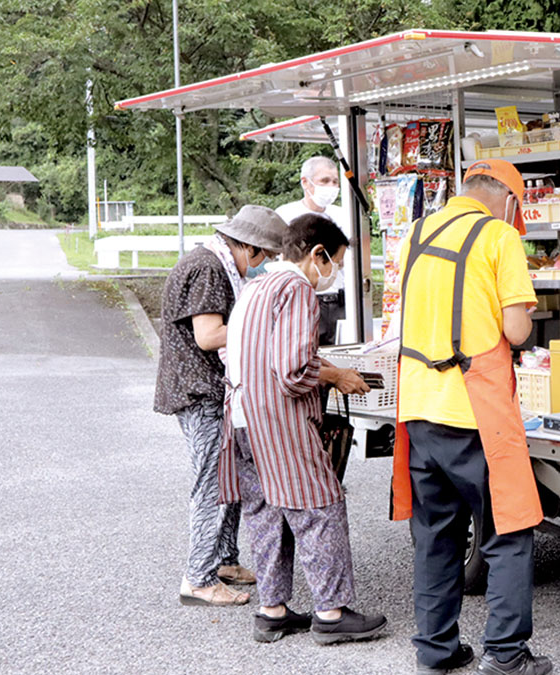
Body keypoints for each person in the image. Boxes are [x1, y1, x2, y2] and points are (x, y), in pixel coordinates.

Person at [392, 159, 552, 675]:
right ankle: (505, 655)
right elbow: (517, 329)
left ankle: (435, 653)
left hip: (418, 409)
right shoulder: (499, 237)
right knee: (509, 531)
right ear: (507, 199)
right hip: (475, 411)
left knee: (437, 533)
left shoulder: (415, 233)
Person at [218, 213, 387, 645]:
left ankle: (271, 610)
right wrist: (334, 377)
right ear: (318, 254)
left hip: (240, 418)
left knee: (265, 513)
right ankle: (331, 614)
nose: (334, 274)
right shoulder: (296, 289)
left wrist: (328, 367)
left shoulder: (255, 286)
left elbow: (263, 354)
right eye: (336, 262)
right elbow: (292, 371)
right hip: (278, 421)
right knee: (320, 507)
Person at [153, 204, 286, 607]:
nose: (265, 266)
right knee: (211, 483)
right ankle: (198, 578)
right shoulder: (210, 268)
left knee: (229, 478)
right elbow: (209, 335)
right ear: (248, 247)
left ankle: (225, 560)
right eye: (267, 256)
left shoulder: (210, 260)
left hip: (207, 388)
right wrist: (265, 326)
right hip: (200, 391)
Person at [274, 155, 349, 344]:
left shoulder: (343, 215)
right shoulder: (286, 214)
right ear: (305, 182)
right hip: (306, 297)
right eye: (324, 181)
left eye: (334, 182)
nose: (331, 187)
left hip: (340, 299)